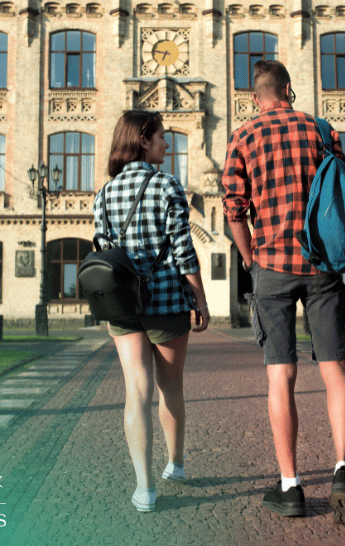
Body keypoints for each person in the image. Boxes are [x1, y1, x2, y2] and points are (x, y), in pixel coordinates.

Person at [221, 60, 345, 524]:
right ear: (288, 89)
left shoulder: (242, 137)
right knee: (335, 368)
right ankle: (344, 470)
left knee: (280, 376)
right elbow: (337, 190)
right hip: (322, 263)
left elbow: (234, 208)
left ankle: (291, 486)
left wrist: (249, 258)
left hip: (273, 266)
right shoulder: (322, 129)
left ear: (254, 97)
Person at [95, 110, 210, 513]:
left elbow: (103, 247)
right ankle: (175, 465)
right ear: (143, 140)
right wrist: (200, 297)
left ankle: (144, 488)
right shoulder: (167, 186)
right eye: (162, 136)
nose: (167, 143)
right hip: (165, 301)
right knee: (171, 387)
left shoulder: (104, 194)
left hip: (122, 305)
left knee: (136, 392)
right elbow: (183, 248)